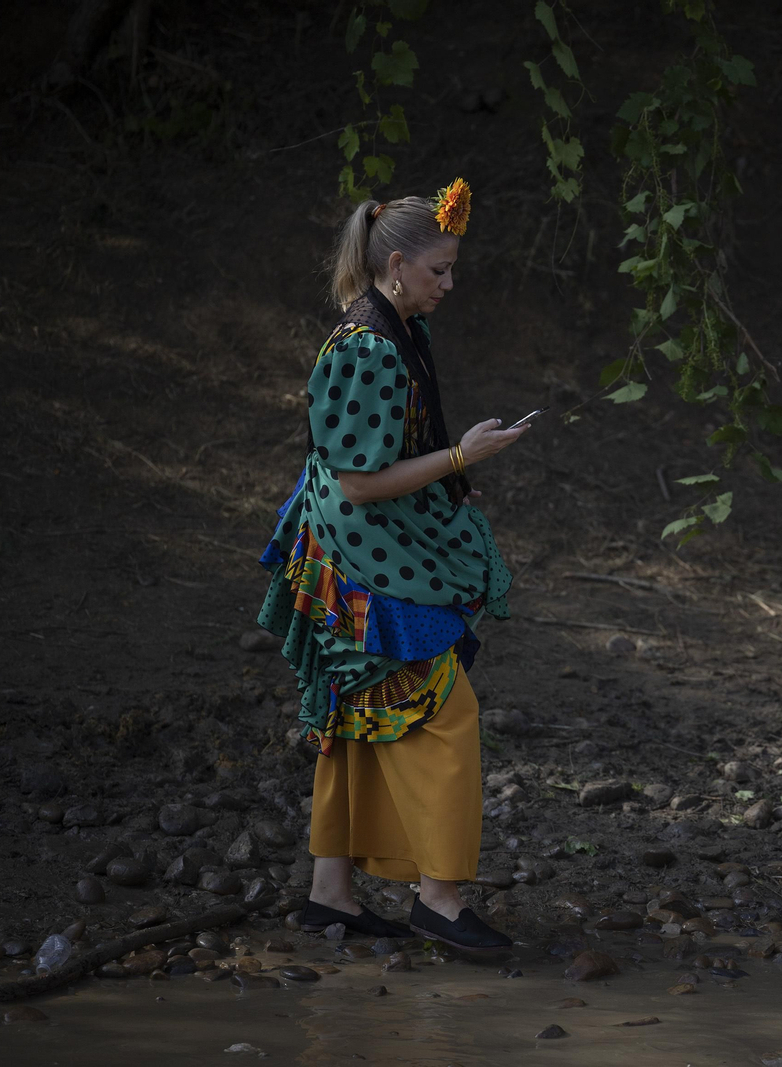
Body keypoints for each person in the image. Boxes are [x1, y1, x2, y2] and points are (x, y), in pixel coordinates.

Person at [255, 178, 525, 953]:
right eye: (440, 270)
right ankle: (438, 899)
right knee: (445, 708)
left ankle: (330, 894)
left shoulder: (401, 327)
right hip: (360, 558)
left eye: (452, 269)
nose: (450, 284)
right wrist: (459, 458)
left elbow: (390, 453)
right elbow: (358, 481)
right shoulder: (367, 347)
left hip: (365, 543)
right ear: (397, 264)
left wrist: (450, 479)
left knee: (354, 709)